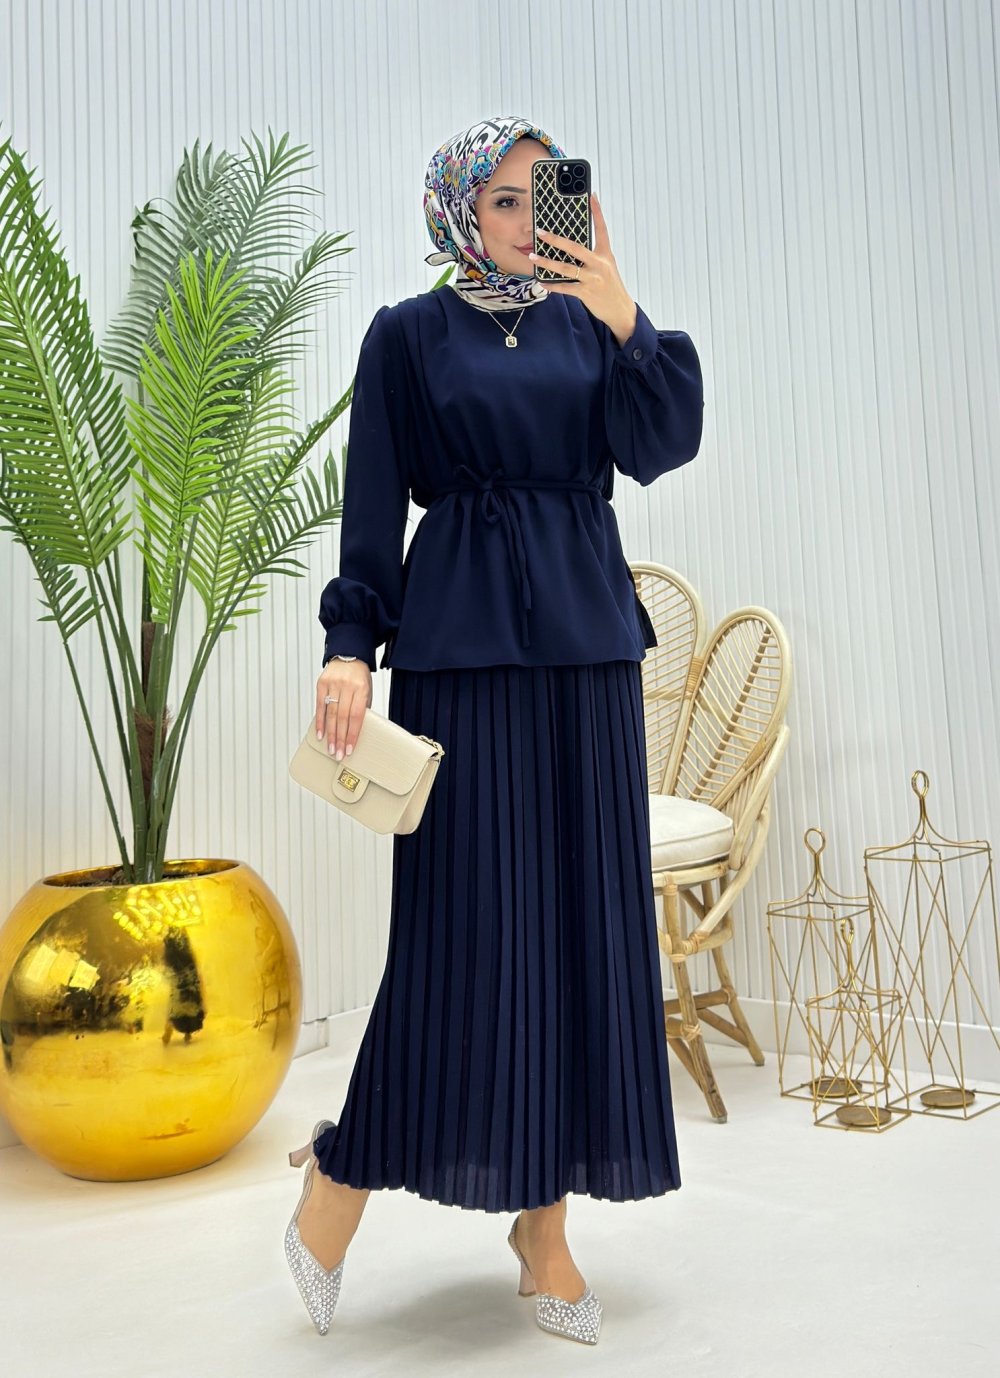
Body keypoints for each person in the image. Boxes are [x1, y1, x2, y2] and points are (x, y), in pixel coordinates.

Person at [283, 115, 705, 1346]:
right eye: (507, 199)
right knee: (461, 938)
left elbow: (663, 444)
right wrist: (349, 644)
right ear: (460, 208)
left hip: (587, 650)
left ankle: (545, 1228)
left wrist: (624, 311)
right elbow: (372, 506)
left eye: (544, 195)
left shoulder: (586, 323)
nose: (529, 219)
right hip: (461, 654)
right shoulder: (406, 336)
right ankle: (341, 1176)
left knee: (583, 934)